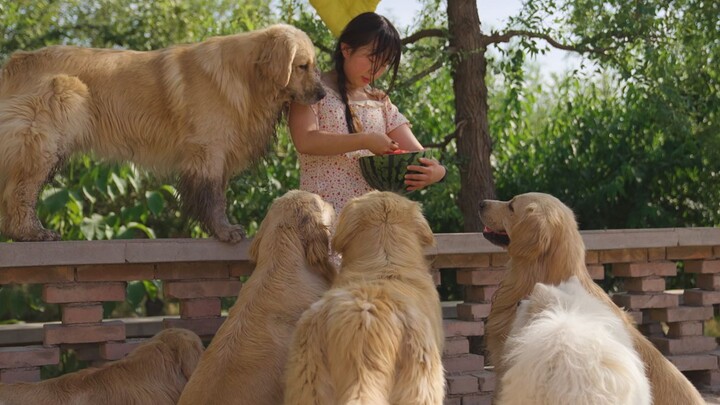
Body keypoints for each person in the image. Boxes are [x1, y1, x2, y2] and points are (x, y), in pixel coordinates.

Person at [288, 11, 447, 216]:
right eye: (372, 59)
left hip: (369, 224)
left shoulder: (380, 102)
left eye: (385, 64)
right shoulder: (310, 86)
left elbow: (417, 155)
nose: (377, 71)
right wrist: (364, 140)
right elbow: (305, 140)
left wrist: (438, 172)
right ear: (346, 49)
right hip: (319, 219)